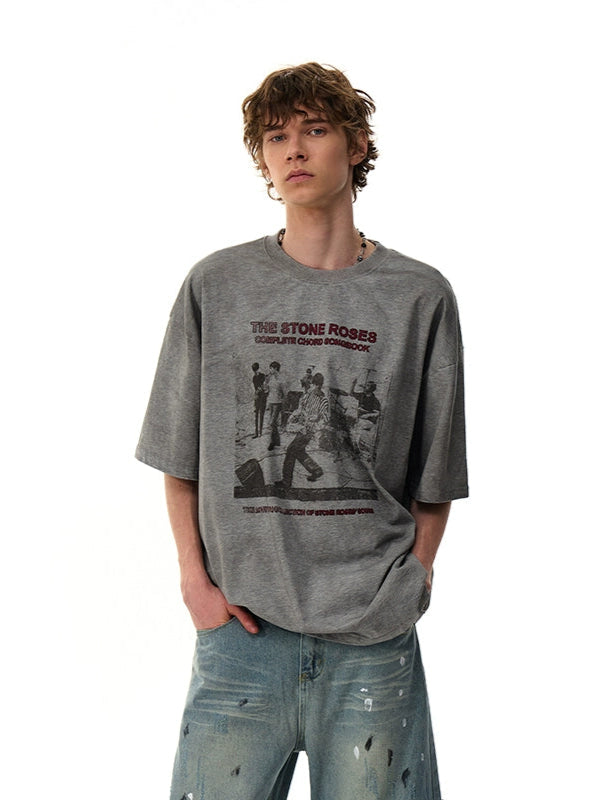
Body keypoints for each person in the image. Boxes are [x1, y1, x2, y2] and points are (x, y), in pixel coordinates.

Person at [136, 62, 468, 800]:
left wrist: (413, 579)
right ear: (261, 157)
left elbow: (438, 473)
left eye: (315, 129)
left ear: (356, 145)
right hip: (241, 637)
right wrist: (195, 584)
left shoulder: (419, 297)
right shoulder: (216, 285)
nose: (294, 149)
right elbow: (178, 454)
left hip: (372, 640)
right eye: (275, 136)